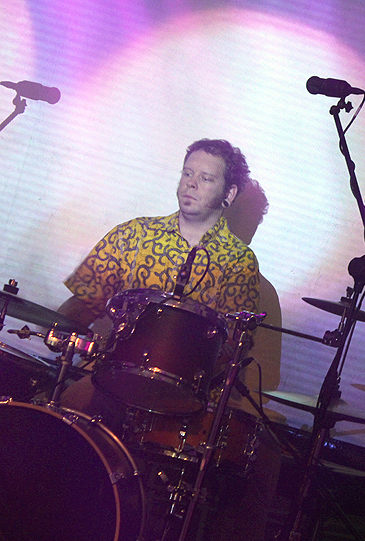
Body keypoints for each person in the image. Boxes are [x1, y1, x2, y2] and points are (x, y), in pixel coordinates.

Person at [58, 138, 279, 541]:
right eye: (187, 173)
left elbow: (231, 349)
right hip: (113, 381)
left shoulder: (239, 262)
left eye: (205, 178)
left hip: (182, 401)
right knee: (64, 414)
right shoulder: (135, 234)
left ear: (228, 194)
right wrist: (57, 328)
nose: (190, 183)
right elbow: (82, 303)